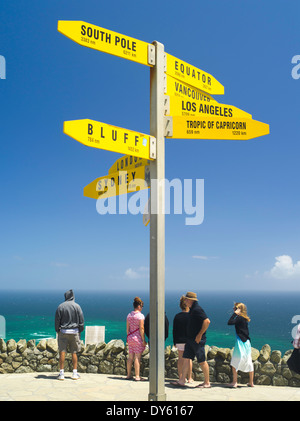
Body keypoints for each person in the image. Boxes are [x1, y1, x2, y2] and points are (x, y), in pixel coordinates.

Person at [172, 291, 211, 388]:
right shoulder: (192, 309)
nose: (184, 301)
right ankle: (182, 381)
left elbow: (207, 321)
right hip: (190, 339)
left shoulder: (197, 309)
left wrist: (199, 335)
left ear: (189, 300)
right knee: (186, 358)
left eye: (186, 299)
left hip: (197, 340)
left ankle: (207, 382)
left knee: (201, 361)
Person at [55, 289, 84, 380]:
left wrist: (57, 330)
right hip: (74, 332)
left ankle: (61, 373)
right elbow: (81, 320)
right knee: (74, 352)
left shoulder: (60, 306)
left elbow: (57, 321)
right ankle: (74, 373)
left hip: (63, 332)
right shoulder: (77, 306)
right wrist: (80, 330)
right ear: (73, 297)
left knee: (62, 352)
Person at [227, 302, 254, 388]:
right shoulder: (244, 319)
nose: (233, 309)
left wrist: (234, 314)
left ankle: (234, 382)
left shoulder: (239, 318)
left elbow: (229, 322)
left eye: (235, 308)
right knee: (249, 362)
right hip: (247, 343)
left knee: (234, 362)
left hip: (240, 343)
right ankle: (251, 382)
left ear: (239, 310)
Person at [173, 295, 193, 383]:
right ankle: (190, 378)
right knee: (188, 359)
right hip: (188, 341)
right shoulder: (191, 316)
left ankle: (181, 377)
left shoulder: (177, 316)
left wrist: (174, 342)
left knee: (180, 359)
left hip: (179, 340)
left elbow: (174, 330)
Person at [126, 296, 146, 381]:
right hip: (137, 338)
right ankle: (137, 376)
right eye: (142, 306)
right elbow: (141, 328)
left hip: (130, 337)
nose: (142, 308)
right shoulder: (140, 316)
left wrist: (128, 336)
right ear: (138, 306)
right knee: (137, 357)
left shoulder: (129, 315)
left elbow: (127, 328)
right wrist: (143, 339)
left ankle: (128, 374)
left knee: (130, 357)